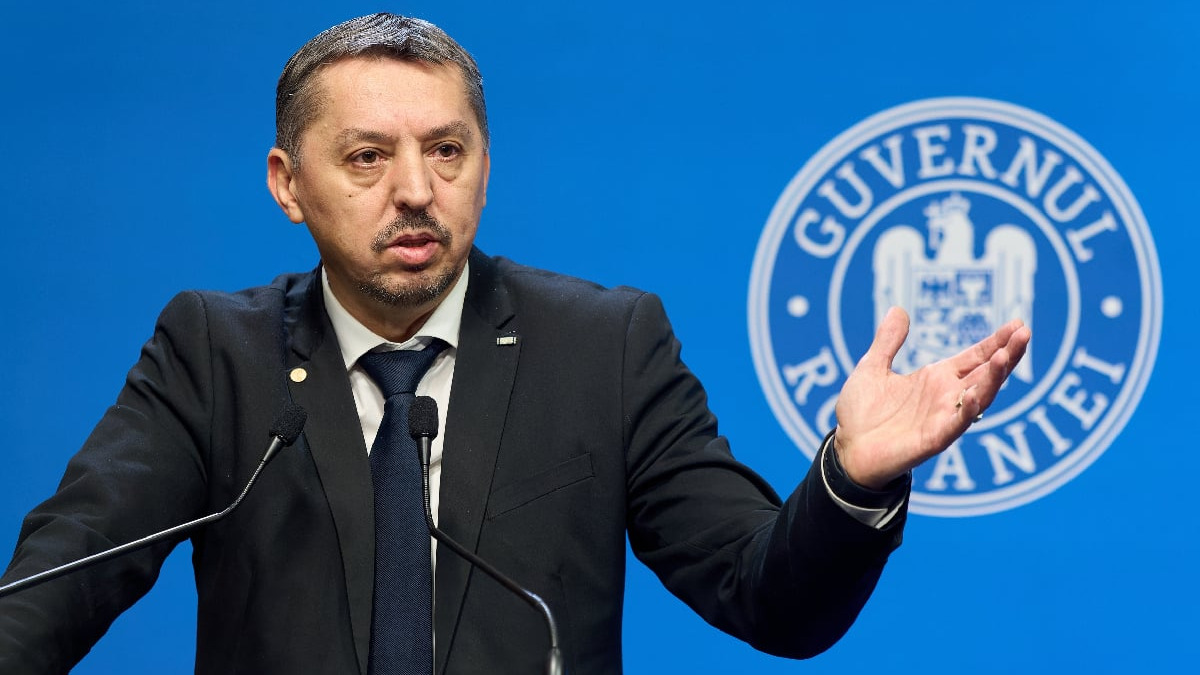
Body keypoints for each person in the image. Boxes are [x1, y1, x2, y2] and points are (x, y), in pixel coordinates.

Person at [0, 13, 1030, 675]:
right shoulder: (214, 353)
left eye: (446, 150)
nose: (416, 190)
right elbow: (60, 583)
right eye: (367, 157)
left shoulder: (604, 346)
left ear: (485, 167)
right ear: (288, 184)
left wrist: (850, 478)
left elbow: (771, 600)